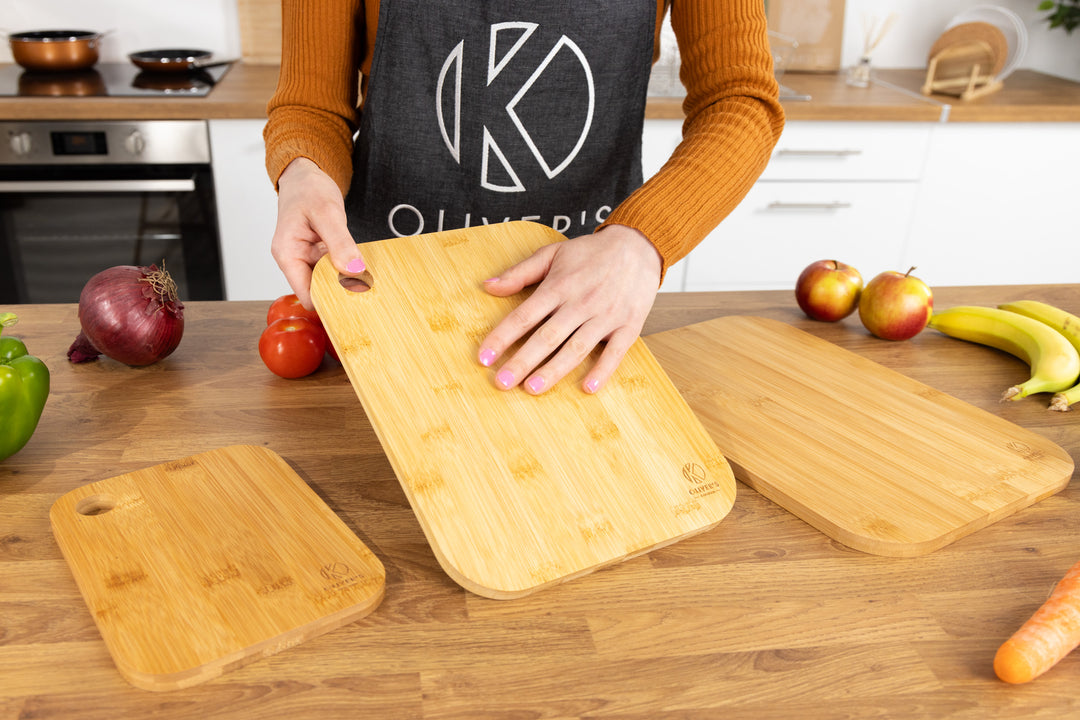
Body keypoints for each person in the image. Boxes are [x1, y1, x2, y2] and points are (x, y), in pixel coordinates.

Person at [264, 0, 784, 395]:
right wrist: (302, 172)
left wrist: (642, 240)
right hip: (391, 290)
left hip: (580, 304)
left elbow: (740, 100)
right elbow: (312, 105)